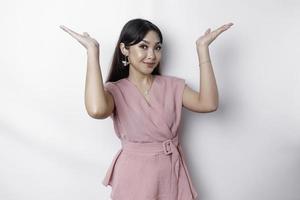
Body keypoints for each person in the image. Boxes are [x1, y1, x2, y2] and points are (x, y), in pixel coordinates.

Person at [60, 18, 233, 200]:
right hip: (133, 177)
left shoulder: (173, 86)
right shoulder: (115, 90)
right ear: (124, 49)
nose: (152, 55)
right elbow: (96, 110)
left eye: (157, 48)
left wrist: (202, 49)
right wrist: (92, 52)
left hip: (170, 175)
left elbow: (209, 104)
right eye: (143, 46)